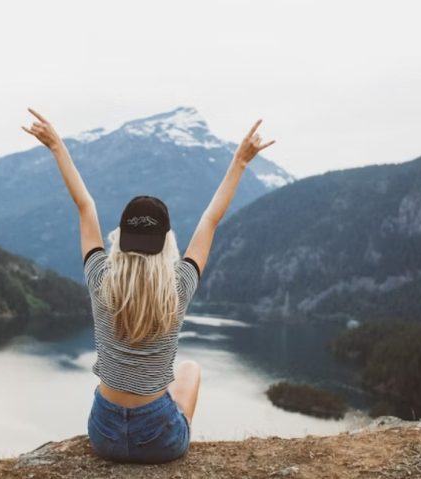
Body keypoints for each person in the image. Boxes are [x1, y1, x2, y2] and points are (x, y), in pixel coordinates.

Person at [22, 107, 274, 463]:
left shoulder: (100, 279)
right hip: (160, 441)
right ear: (166, 243)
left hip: (103, 434)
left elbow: (85, 205)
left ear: (120, 239)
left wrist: (57, 147)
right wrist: (240, 162)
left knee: (151, 382)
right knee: (189, 371)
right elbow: (211, 219)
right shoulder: (178, 287)